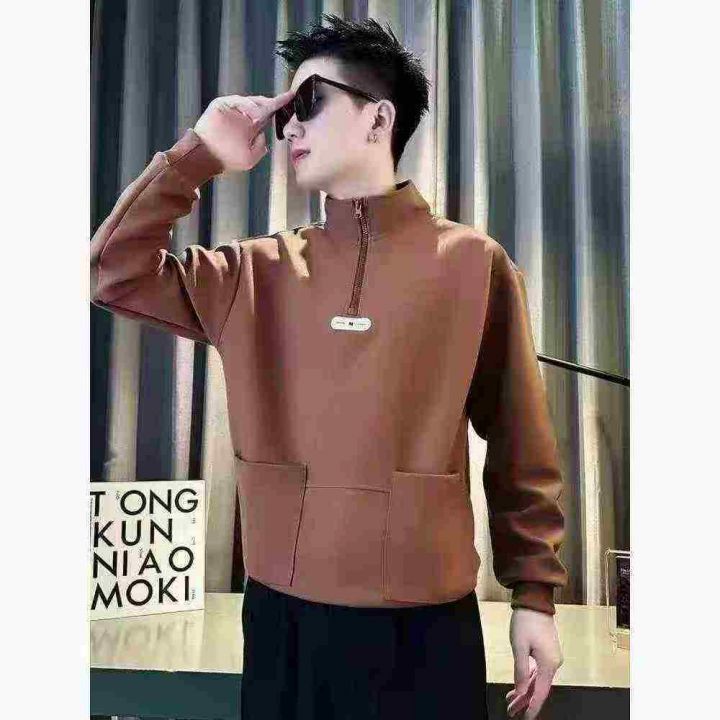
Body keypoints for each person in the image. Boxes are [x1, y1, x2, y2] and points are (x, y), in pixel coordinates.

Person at [90, 13, 567, 720]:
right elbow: (112, 272)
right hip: (285, 624)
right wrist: (198, 155)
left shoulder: (473, 264)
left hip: (426, 630)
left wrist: (534, 596)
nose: (289, 127)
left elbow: (521, 440)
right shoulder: (253, 272)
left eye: (308, 102)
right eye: (283, 111)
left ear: (379, 119)